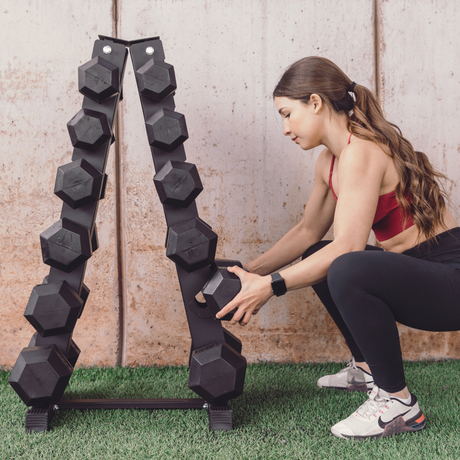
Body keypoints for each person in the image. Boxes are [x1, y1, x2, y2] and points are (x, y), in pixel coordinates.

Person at [215, 56, 460, 440]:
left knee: (347, 264)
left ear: (314, 102)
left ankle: (399, 403)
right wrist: (248, 272)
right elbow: (308, 232)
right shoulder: (330, 160)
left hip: (450, 279)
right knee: (319, 255)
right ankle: (366, 368)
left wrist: (271, 286)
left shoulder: (362, 150)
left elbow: (348, 246)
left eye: (287, 114)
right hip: (420, 273)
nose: (284, 129)